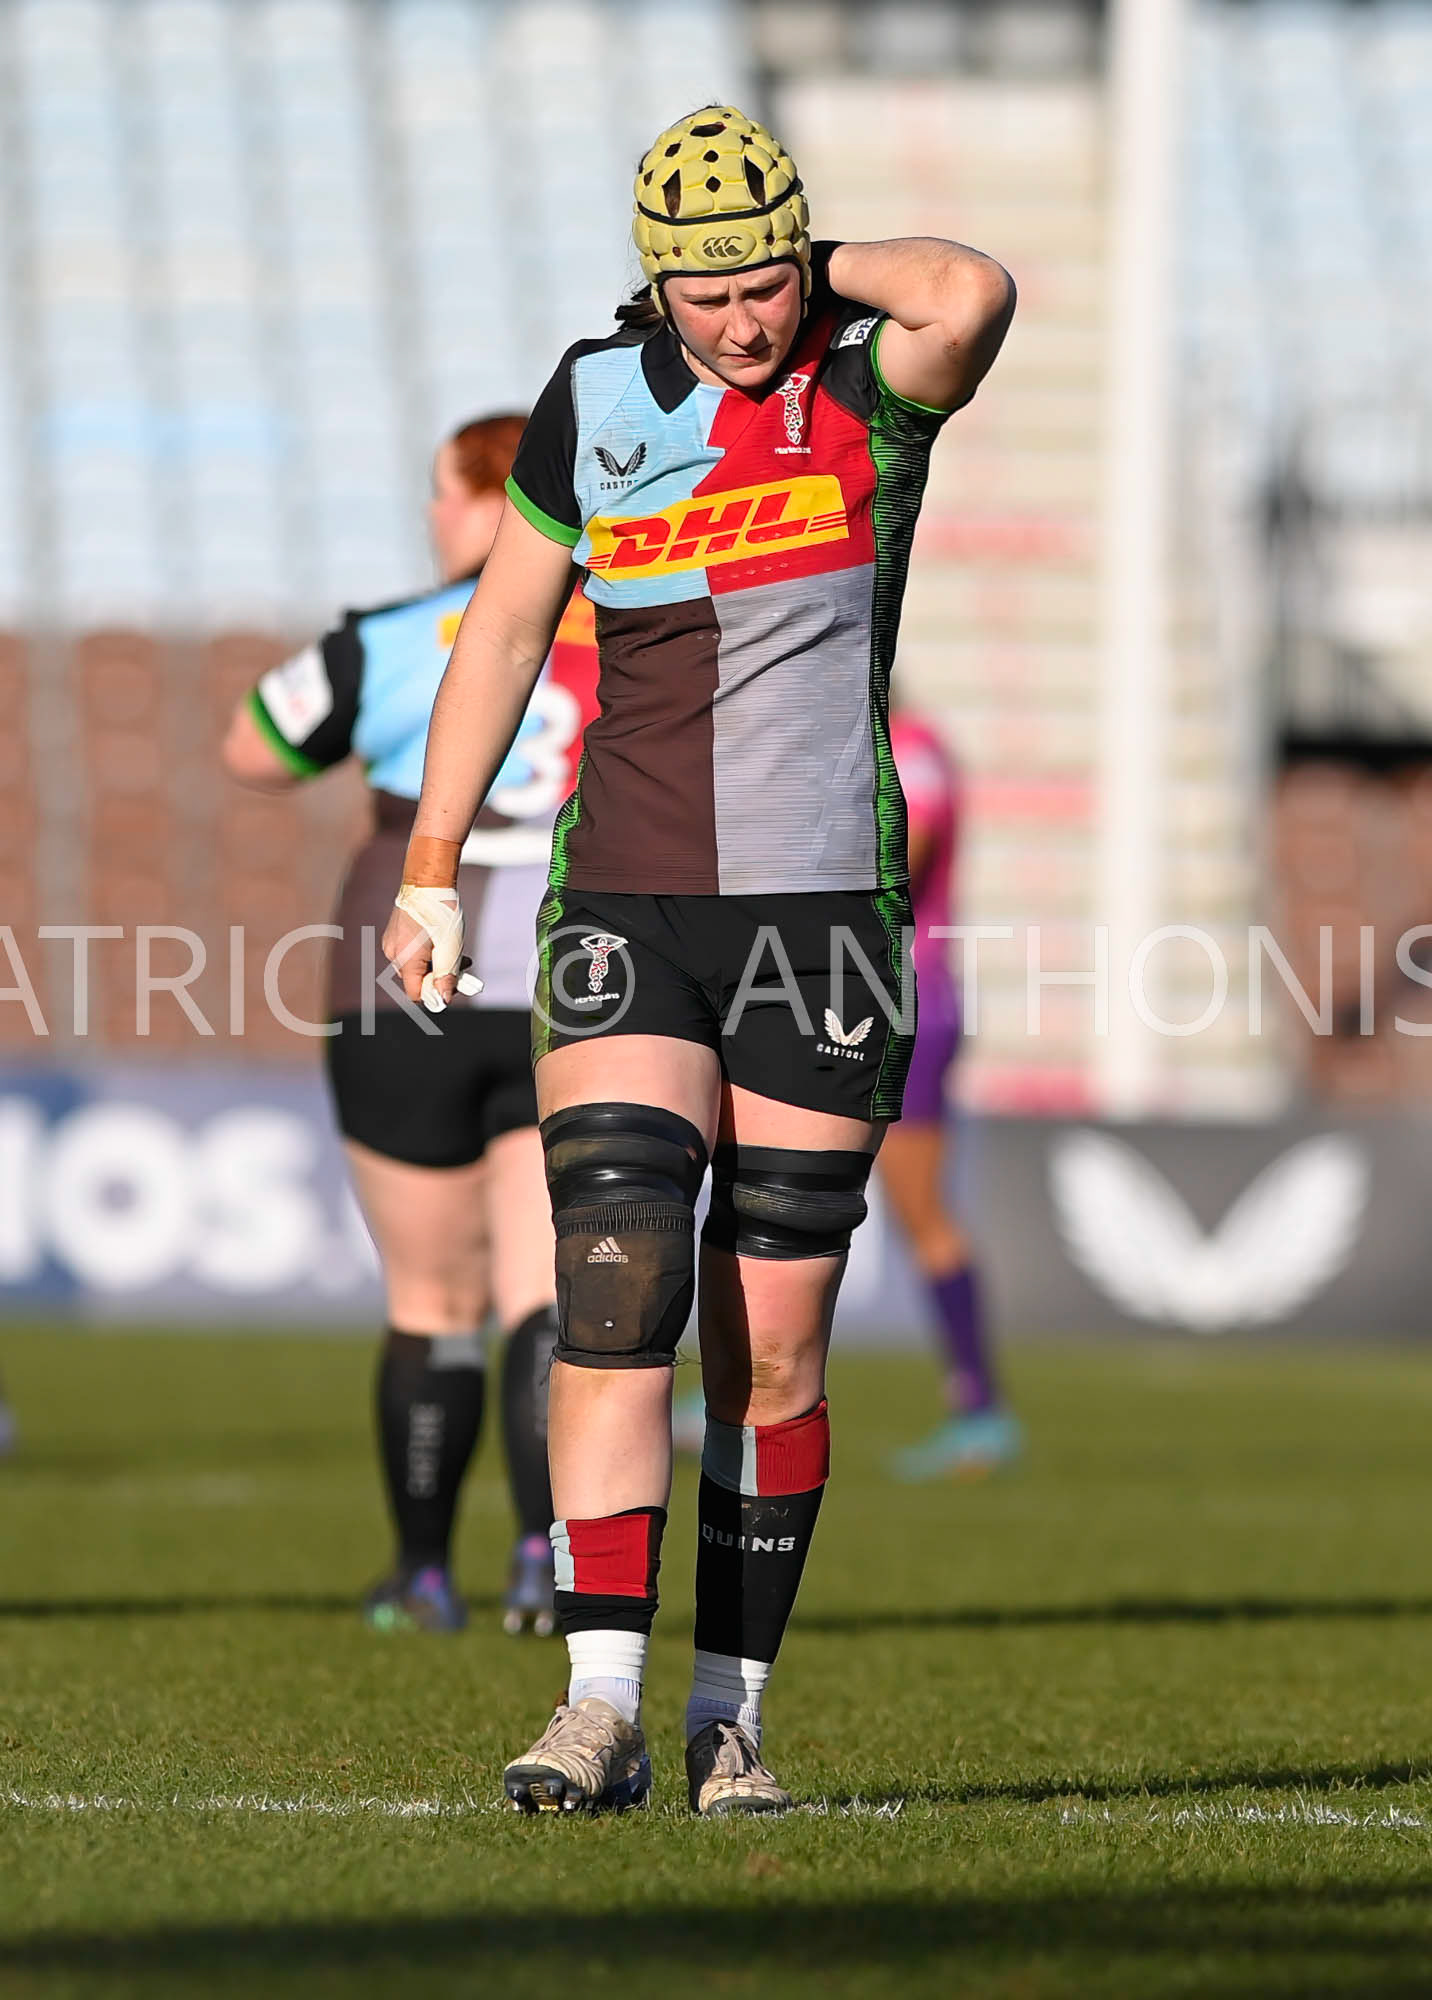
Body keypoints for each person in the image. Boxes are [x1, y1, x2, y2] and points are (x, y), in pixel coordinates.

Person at [384, 105, 1014, 1813]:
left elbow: (969, 286)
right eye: (705, 292)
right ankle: (597, 1707)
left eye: (762, 285)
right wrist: (431, 868)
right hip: (629, 910)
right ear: (651, 284)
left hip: (823, 923)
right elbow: (507, 626)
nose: (739, 323)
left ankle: (732, 1717)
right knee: (617, 1277)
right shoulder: (591, 406)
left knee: (776, 1343)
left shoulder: (872, 388)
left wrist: (812, 273)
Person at [222, 414, 599, 1635]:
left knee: (432, 1297)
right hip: (577, 982)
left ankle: (424, 1570)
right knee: (552, 1296)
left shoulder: (384, 637)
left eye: (441, 493)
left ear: (478, 498)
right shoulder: (627, 626)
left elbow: (254, 749)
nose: (434, 516)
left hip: (401, 980)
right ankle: (544, 1565)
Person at [882, 707, 1022, 1479]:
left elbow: (904, 853)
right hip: (825, 993)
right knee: (775, 1192)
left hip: (902, 996)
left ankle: (980, 1410)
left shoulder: (910, 744)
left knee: (922, 1211)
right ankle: (753, 1386)